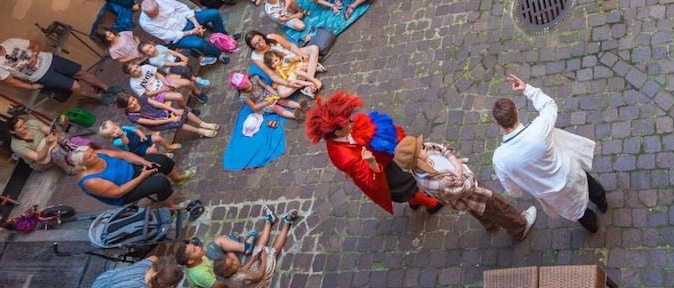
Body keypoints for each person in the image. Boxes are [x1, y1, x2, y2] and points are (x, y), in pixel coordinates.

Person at [491, 74, 605, 233]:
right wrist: (527, 89)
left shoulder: (499, 159)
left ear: (497, 123)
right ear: (517, 112)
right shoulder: (539, 128)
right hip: (569, 173)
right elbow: (550, 106)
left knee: (578, 212)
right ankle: (602, 203)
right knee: (589, 185)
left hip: (551, 194)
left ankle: (593, 227)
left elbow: (514, 191)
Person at [304, 91, 443, 214]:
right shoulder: (346, 158)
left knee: (404, 185)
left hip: (382, 161)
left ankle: (414, 202)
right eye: (349, 123)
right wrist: (371, 163)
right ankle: (430, 204)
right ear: (338, 132)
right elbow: (370, 181)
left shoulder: (340, 136)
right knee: (404, 187)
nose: (352, 123)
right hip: (378, 172)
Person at [394, 133, 537, 241]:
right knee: (498, 206)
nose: (424, 146)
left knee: (479, 210)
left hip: (465, 193)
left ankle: (491, 225)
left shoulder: (423, 155)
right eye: (420, 149)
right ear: (417, 160)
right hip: (472, 193)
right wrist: (464, 171)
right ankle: (520, 227)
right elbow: (466, 187)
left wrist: (457, 165)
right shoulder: (439, 183)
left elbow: (440, 148)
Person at [0, 37, 108, 99]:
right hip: (41, 75)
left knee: (80, 73)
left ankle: (106, 87)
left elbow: (35, 43)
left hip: (50, 59)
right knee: (75, 86)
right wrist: (31, 87)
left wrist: (34, 55)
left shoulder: (10, 42)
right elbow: (10, 81)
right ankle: (99, 97)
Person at [212, 209, 301, 288]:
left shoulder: (232, 273)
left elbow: (241, 269)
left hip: (250, 273)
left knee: (258, 248)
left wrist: (252, 260)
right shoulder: (240, 278)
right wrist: (264, 259)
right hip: (259, 279)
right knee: (274, 251)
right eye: (231, 265)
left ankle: (269, 222)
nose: (235, 263)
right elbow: (259, 276)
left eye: (232, 260)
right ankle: (287, 222)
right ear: (227, 273)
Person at [75, 146, 188, 207]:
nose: (95, 155)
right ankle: (172, 207)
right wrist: (142, 177)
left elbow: (123, 155)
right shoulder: (90, 181)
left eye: (93, 152)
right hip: (125, 192)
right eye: (90, 156)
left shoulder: (99, 154)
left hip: (132, 169)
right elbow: (118, 192)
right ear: (82, 164)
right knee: (160, 183)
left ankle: (178, 178)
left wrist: (144, 162)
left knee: (161, 160)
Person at [138, 0, 236, 60]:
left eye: (156, 13)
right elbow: (168, 35)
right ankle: (218, 53)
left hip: (187, 20)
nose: (154, 16)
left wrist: (196, 23)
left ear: (158, 5)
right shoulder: (145, 23)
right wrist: (191, 32)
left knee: (214, 13)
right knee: (199, 43)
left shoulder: (162, 0)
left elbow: (182, 8)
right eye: (151, 16)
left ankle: (224, 38)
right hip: (178, 36)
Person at [245, 30, 324, 99]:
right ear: (252, 46)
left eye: (260, 40)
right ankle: (311, 68)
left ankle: (308, 83)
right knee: (283, 93)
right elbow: (272, 75)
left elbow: (290, 46)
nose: (261, 44)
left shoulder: (271, 37)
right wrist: (288, 84)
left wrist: (300, 54)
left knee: (314, 49)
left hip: (291, 57)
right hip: (283, 72)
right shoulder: (256, 57)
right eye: (256, 44)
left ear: (262, 36)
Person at [9, 114, 91, 173]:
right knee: (55, 150)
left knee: (62, 136)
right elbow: (38, 157)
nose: (25, 126)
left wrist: (57, 128)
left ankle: (80, 148)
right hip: (39, 161)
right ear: (13, 131)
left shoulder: (31, 123)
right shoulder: (16, 145)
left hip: (47, 142)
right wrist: (47, 145)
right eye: (20, 127)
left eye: (24, 123)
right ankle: (68, 168)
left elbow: (51, 131)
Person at [229, 72, 306, 124]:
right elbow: (254, 107)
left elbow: (266, 86)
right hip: (261, 104)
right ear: (240, 88)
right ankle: (295, 116)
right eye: (243, 85)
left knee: (282, 100)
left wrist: (274, 93)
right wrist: (267, 103)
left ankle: (300, 106)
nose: (247, 84)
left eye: (246, 81)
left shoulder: (254, 79)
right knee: (276, 108)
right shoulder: (244, 96)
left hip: (267, 95)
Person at [99, 119, 179, 158]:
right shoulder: (116, 141)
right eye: (112, 133)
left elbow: (136, 130)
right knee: (153, 150)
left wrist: (142, 136)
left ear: (117, 125)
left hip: (141, 139)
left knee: (158, 138)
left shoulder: (124, 128)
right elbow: (126, 142)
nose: (116, 132)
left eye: (115, 128)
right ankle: (163, 156)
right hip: (137, 148)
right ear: (110, 137)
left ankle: (169, 147)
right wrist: (122, 135)